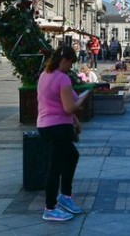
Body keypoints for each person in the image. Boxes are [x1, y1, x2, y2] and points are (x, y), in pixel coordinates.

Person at [36, 45, 87, 222]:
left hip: (45, 125)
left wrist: (76, 121)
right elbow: (69, 106)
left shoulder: (45, 74)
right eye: (71, 63)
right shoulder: (62, 79)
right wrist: (82, 101)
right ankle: (50, 208)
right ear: (64, 60)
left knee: (72, 156)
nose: (71, 67)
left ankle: (65, 196)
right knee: (55, 167)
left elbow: (65, 100)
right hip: (57, 127)